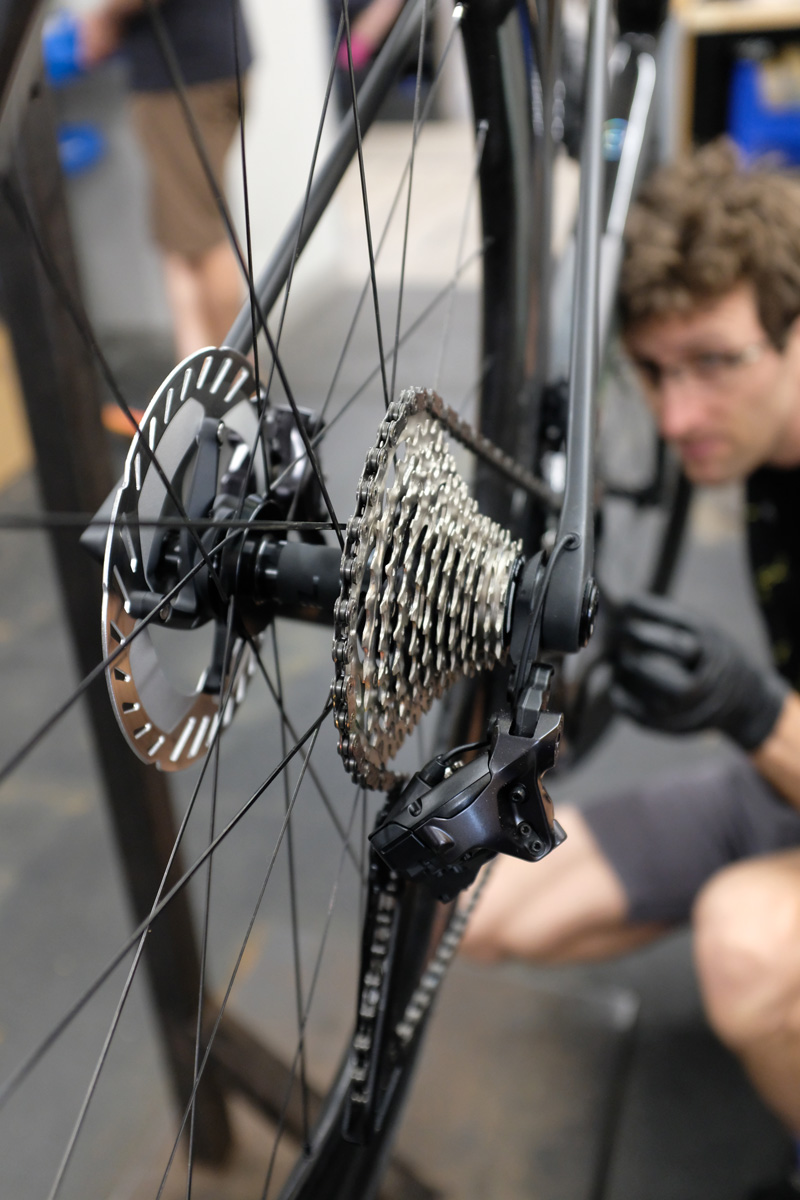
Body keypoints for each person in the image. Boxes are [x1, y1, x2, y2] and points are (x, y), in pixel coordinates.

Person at [461, 139, 800, 1200]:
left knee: (745, 949)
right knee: (483, 907)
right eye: (651, 370)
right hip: (783, 784)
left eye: (711, 361)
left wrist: (751, 711)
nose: (674, 415)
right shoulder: (758, 454)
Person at [77, 0, 252, 433]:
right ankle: (210, 389)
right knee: (190, 235)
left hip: (183, 80)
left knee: (196, 239)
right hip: (210, 65)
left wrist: (103, 18)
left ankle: (222, 394)